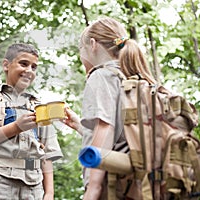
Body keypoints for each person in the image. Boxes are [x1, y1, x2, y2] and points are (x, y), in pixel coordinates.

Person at [64, 17, 156, 199]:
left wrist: (93, 188)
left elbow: (105, 128)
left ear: (93, 44)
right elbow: (123, 135)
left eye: (81, 49)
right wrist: (79, 126)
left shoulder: (101, 76)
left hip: (114, 186)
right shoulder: (134, 78)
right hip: (140, 183)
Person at [0, 43, 63, 200]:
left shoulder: (39, 108)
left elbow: (46, 154)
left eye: (34, 67)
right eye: (23, 64)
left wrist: (49, 194)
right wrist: (16, 127)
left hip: (34, 186)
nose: (29, 71)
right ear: (6, 65)